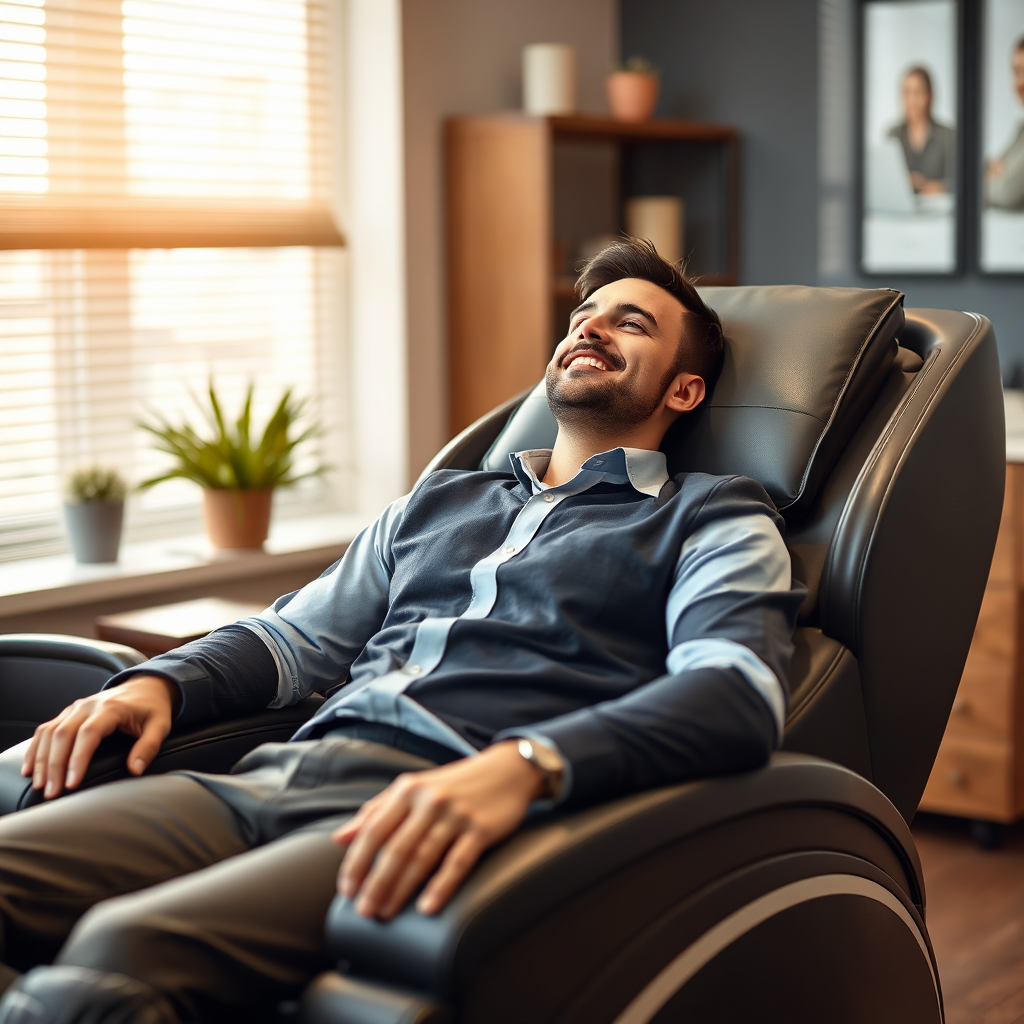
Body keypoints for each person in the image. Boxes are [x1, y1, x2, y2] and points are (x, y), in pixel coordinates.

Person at [0, 239, 803, 1024]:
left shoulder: (711, 512)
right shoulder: (436, 502)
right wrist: (160, 681)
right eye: (582, 315)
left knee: (119, 950)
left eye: (632, 323)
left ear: (686, 392)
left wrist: (527, 766)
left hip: (422, 805)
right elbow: (293, 640)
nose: (588, 328)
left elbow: (732, 693)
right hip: (271, 775)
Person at [888, 65, 955, 195]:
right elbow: (885, 179)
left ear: (928, 96)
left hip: (937, 208)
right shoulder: (893, 135)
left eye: (917, 93)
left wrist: (938, 187)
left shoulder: (947, 136)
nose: (911, 100)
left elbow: (959, 179)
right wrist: (905, 181)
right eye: (906, 93)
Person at [986, 37, 1024, 210]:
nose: (1021, 82)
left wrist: (1000, 175)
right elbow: (990, 165)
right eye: (1017, 72)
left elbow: (1006, 192)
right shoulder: (1021, 130)